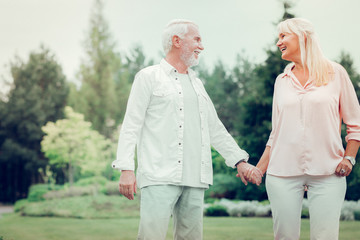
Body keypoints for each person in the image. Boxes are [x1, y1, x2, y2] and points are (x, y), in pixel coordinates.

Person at [111, 19, 262, 240]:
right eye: (197, 39)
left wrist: (239, 161)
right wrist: (126, 168)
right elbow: (131, 124)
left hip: (195, 178)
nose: (201, 46)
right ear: (177, 41)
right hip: (159, 175)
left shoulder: (197, 84)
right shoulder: (148, 77)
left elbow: (215, 128)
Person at [246, 18, 360, 240]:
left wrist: (349, 158)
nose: (278, 42)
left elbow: (355, 124)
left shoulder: (336, 73)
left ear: (302, 37)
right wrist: (259, 169)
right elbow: (276, 133)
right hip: (282, 173)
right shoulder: (281, 81)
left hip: (329, 172)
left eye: (283, 36)